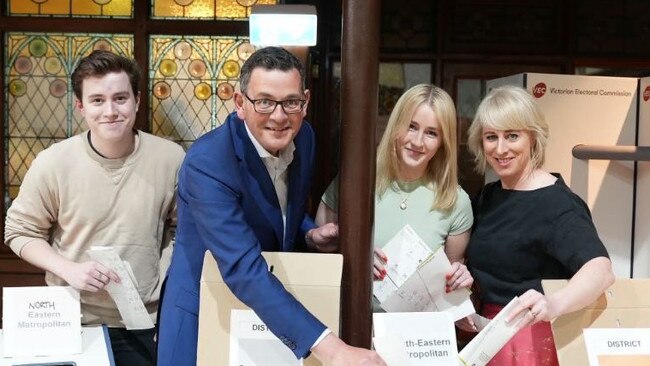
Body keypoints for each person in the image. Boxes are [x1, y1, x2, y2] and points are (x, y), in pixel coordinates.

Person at [157, 46, 385, 366]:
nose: (278, 116)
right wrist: (334, 350)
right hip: (204, 313)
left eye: (290, 102)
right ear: (240, 103)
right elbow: (242, 267)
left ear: (305, 102)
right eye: (264, 101)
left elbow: (278, 210)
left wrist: (309, 234)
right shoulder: (208, 162)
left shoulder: (304, 137)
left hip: (269, 312)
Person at [4, 50, 185, 366]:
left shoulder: (171, 159)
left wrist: (168, 295)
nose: (111, 111)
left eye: (120, 98)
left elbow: (185, 231)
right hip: (69, 320)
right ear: (81, 106)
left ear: (137, 100)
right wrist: (68, 269)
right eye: (98, 100)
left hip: (147, 322)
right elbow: (19, 232)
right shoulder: (53, 163)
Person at [464, 85, 615, 365]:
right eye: (491, 137)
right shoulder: (489, 195)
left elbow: (601, 270)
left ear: (532, 137)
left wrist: (553, 304)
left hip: (532, 343)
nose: (500, 148)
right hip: (488, 336)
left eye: (512, 136)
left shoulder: (557, 203)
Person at [317, 84, 474, 305]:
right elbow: (319, 252)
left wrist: (461, 279)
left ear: (443, 142)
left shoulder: (456, 200)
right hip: (352, 325)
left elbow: (451, 287)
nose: (417, 142)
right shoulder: (353, 182)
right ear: (395, 126)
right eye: (411, 126)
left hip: (417, 334)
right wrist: (353, 258)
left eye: (431, 133)